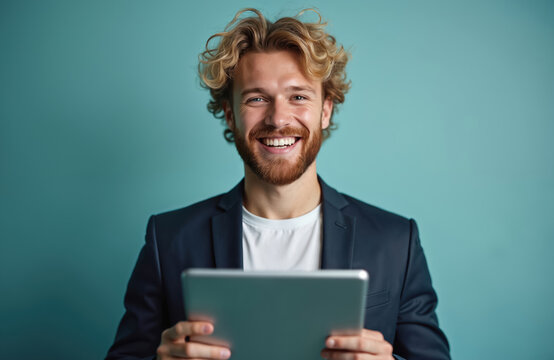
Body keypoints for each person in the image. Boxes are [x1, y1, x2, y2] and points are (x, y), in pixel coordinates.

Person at [106, 8, 450, 360]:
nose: (278, 119)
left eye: (298, 96)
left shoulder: (395, 241)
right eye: (257, 98)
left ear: (326, 110)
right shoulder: (168, 239)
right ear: (230, 114)